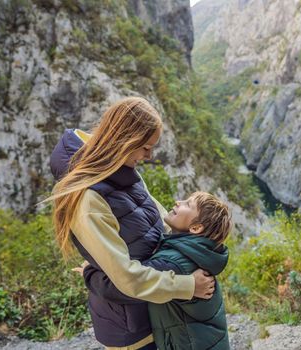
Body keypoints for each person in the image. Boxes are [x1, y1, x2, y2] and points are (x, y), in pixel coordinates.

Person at [47, 97, 215, 349]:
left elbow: (161, 222)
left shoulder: (122, 173)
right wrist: (188, 286)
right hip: (132, 329)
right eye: (145, 147)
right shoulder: (89, 198)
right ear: (125, 140)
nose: (149, 156)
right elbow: (126, 277)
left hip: (154, 313)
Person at [81, 191, 232, 349]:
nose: (178, 201)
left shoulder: (173, 262)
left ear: (195, 228)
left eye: (188, 204)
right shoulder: (196, 252)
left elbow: (124, 287)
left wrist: (89, 271)